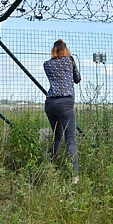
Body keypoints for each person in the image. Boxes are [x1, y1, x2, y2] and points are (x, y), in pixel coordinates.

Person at [43, 39, 81, 183]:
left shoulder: (46, 64)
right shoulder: (69, 60)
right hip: (66, 102)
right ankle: (74, 176)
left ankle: (50, 168)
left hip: (51, 103)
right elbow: (77, 79)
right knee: (70, 140)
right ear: (66, 51)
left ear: (53, 51)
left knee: (56, 136)